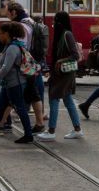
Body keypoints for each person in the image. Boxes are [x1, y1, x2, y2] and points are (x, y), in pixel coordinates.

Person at [36, 12, 84, 141]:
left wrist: (60, 61)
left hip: (64, 73)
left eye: (55, 21)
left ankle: (51, 131)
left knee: (54, 98)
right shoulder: (63, 34)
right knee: (67, 99)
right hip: (62, 73)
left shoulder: (66, 34)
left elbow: (75, 55)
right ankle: (77, 129)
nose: (53, 24)